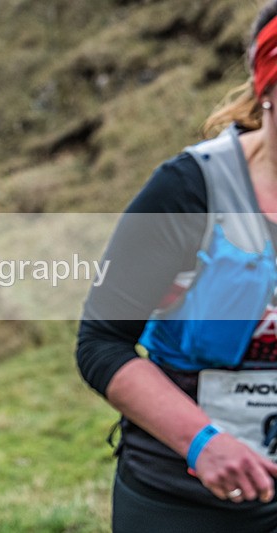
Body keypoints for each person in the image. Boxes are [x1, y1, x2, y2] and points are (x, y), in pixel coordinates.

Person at [76, 2, 277, 531]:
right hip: (180, 498)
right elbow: (100, 342)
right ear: (267, 90)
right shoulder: (189, 189)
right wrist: (201, 441)